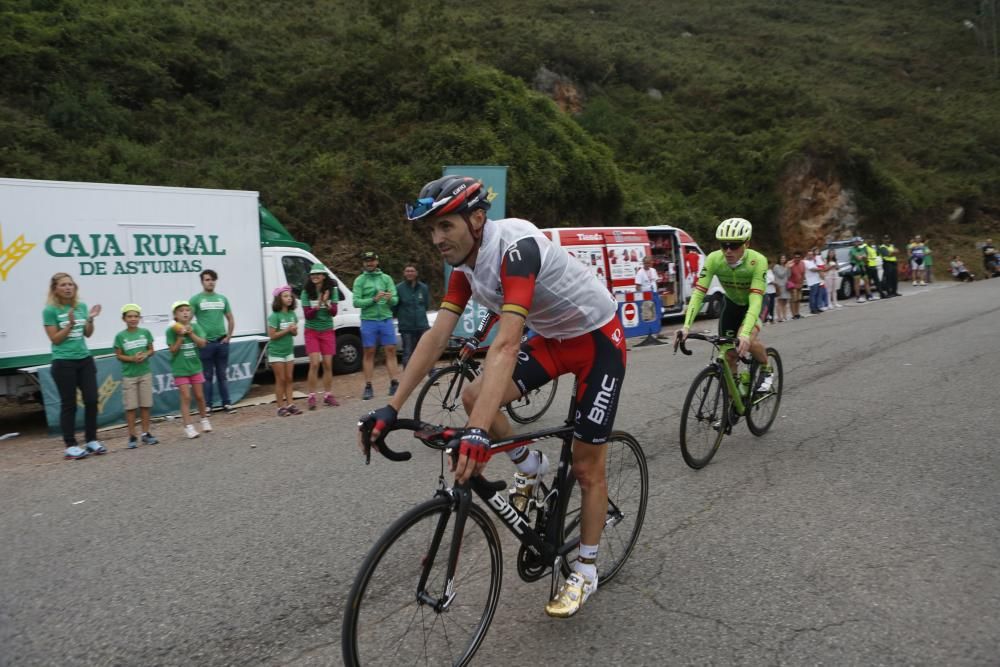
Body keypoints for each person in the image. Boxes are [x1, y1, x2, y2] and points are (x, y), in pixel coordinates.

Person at [360, 175, 626, 618]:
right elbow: (437, 333)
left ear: (478, 218)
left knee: (585, 465)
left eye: (446, 226)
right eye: (432, 229)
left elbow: (505, 344)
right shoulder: (465, 266)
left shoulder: (516, 249)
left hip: (598, 341)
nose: (437, 238)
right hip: (557, 339)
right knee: (472, 395)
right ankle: (530, 466)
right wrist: (392, 406)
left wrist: (479, 435)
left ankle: (585, 569)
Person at [676, 218, 773, 393]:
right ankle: (735, 398)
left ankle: (766, 368)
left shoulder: (758, 261)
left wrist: (744, 334)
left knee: (747, 341)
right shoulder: (714, 259)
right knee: (728, 355)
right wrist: (686, 326)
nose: (728, 251)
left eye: (734, 246)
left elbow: (755, 299)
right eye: (724, 245)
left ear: (747, 244)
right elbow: (699, 293)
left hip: (755, 304)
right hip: (732, 304)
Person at [42, 273, 106, 460]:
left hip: (84, 359)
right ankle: (70, 445)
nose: (68, 288)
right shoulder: (50, 310)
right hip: (63, 362)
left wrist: (91, 319)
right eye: (63, 285)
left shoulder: (81, 307)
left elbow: (88, 334)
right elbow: (55, 339)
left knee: (92, 400)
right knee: (69, 404)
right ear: (55, 289)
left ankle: (92, 440)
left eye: (71, 284)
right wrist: (69, 325)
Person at [352, 251, 400, 401]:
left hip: (385, 319)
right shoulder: (360, 280)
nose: (369, 263)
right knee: (369, 352)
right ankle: (368, 386)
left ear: (377, 262)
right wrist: (373, 299)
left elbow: (396, 300)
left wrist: (390, 298)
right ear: (363, 263)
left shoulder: (386, 278)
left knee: (391, 350)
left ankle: (394, 383)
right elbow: (356, 302)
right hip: (369, 320)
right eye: (367, 261)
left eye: (372, 261)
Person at [190, 269, 236, 413]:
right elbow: (187, 319)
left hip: (222, 342)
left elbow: (230, 318)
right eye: (207, 279)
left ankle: (227, 403)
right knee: (207, 376)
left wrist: (229, 336)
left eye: (212, 279)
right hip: (206, 344)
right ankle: (207, 405)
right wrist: (197, 337)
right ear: (202, 282)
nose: (210, 282)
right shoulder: (196, 299)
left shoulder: (222, 299)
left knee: (222, 374)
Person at [113, 304, 158, 448]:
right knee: (131, 408)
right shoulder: (120, 336)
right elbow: (118, 355)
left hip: (145, 373)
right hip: (129, 376)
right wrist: (132, 358)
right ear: (123, 319)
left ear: (139, 318)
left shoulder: (145, 332)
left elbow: (151, 350)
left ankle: (145, 434)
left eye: (136, 316)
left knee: (145, 405)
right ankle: (132, 436)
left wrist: (145, 354)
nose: (133, 319)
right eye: (129, 316)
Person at [167, 300, 211, 439]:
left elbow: (203, 344)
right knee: (186, 397)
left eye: (187, 310)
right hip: (180, 369)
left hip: (195, 367)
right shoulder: (171, 330)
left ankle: (204, 420)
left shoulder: (196, 327)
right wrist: (180, 337)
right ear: (175, 315)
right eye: (181, 311)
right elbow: (173, 350)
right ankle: (188, 427)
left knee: (199, 396)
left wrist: (191, 334)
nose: (185, 312)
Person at [301, 264, 340, 409]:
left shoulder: (332, 290)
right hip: (312, 331)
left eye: (317, 274)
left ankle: (328, 395)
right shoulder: (306, 292)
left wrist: (325, 302)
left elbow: (334, 312)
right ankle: (311, 396)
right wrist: (318, 305)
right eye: (312, 274)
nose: (314, 277)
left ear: (324, 276)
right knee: (315, 363)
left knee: (328, 364)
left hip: (327, 330)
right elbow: (307, 315)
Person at [267, 286, 302, 416]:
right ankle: (280, 407)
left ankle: (291, 404)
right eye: (285, 296)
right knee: (280, 379)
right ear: (279, 299)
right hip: (276, 353)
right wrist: (287, 330)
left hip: (288, 351)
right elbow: (272, 336)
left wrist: (293, 331)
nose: (289, 298)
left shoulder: (292, 315)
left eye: (290, 296)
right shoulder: (274, 316)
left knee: (289, 378)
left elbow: (294, 333)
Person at [394, 263, 431, 368]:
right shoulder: (398, 288)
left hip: (422, 325)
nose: (410, 273)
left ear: (416, 273)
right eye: (407, 271)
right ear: (404, 273)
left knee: (426, 351)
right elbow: (395, 307)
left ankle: (432, 374)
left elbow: (426, 305)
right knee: (407, 353)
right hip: (406, 327)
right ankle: (407, 376)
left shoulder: (423, 288)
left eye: (412, 271)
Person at [849, 237, 871, 302]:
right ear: (853, 243)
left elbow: (865, 258)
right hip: (856, 266)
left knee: (866, 281)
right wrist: (862, 256)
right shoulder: (852, 250)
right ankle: (858, 297)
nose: (858, 243)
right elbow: (858, 258)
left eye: (858, 242)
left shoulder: (861, 249)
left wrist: (862, 257)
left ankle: (869, 296)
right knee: (857, 283)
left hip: (862, 266)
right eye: (856, 242)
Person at [771, 254, 791, 322]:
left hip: (786, 285)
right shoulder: (776, 266)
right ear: (779, 259)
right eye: (782, 258)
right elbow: (781, 275)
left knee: (785, 302)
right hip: (779, 286)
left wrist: (788, 268)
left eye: (784, 258)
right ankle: (779, 317)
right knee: (779, 302)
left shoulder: (785, 266)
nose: (783, 259)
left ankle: (785, 316)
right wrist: (786, 267)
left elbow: (788, 275)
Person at [804, 249, 823, 314]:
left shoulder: (812, 261)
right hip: (811, 281)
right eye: (809, 254)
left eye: (812, 254)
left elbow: (816, 267)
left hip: (817, 280)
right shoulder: (805, 262)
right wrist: (820, 269)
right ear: (806, 255)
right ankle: (812, 309)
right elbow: (812, 269)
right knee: (813, 295)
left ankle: (817, 307)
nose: (811, 256)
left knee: (817, 295)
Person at [787, 251, 805, 319]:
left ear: (800, 258)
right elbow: (787, 274)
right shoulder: (790, 263)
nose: (797, 258)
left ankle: (797, 313)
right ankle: (793, 314)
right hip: (792, 284)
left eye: (798, 257)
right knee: (793, 299)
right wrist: (789, 267)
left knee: (798, 299)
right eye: (795, 257)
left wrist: (802, 283)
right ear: (793, 257)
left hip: (799, 284)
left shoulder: (802, 263)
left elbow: (803, 274)